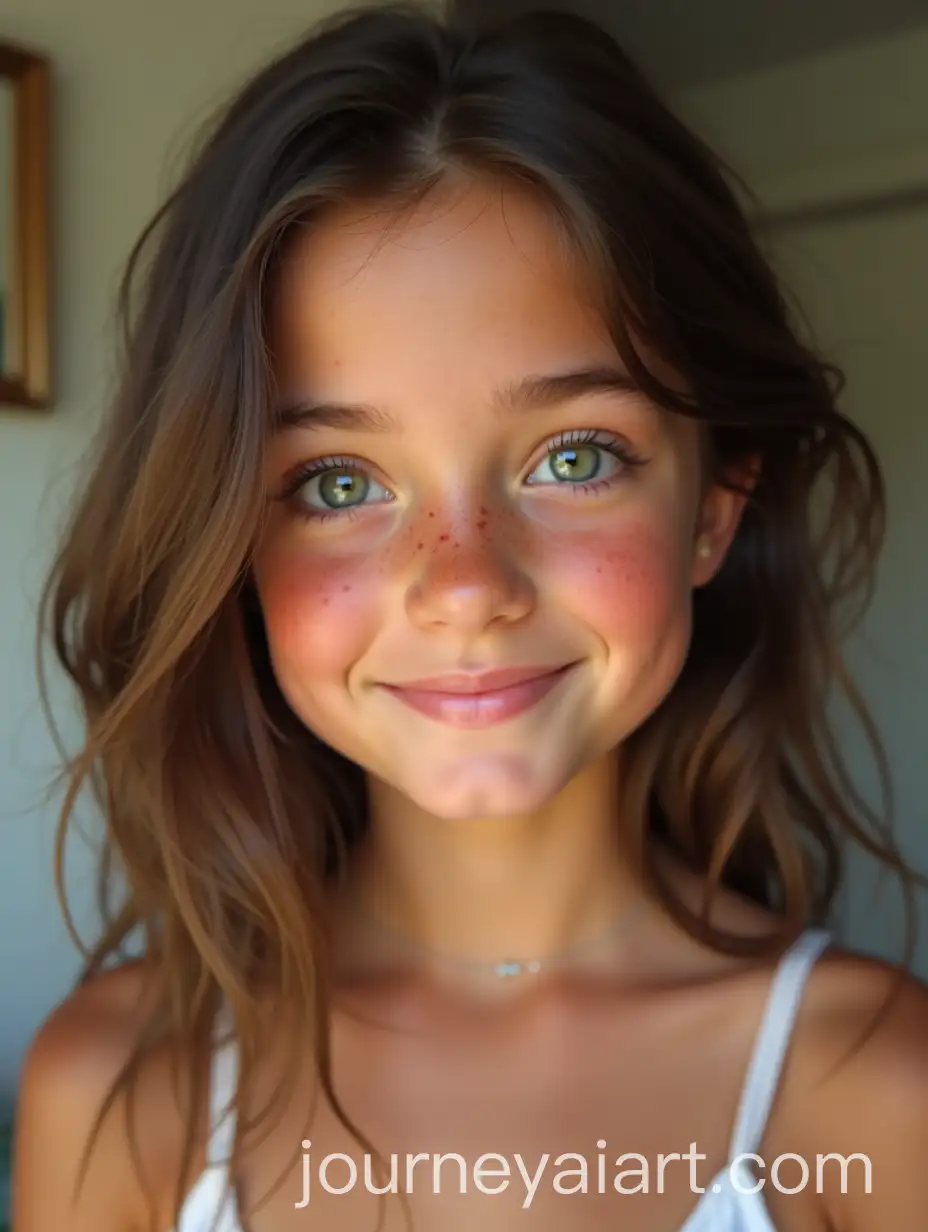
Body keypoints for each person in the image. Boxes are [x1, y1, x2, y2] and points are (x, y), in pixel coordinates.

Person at [12, 3, 928, 1229]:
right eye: (337, 482)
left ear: (712, 508)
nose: (464, 586)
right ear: (228, 544)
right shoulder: (122, 1090)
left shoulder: (877, 1092)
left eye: (575, 455)